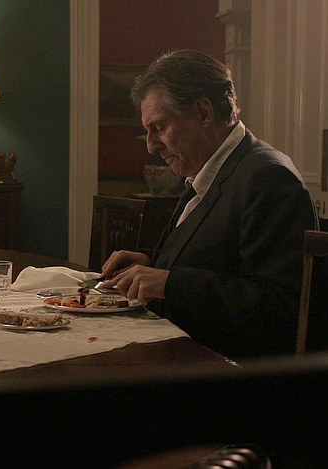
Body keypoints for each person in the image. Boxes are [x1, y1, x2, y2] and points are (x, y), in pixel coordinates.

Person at [100, 49, 320, 359]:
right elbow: (218, 259)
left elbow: (280, 306)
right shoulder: (211, 168)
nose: (151, 147)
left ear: (204, 112)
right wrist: (152, 264)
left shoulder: (269, 177)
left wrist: (169, 283)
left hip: (223, 370)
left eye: (160, 128)